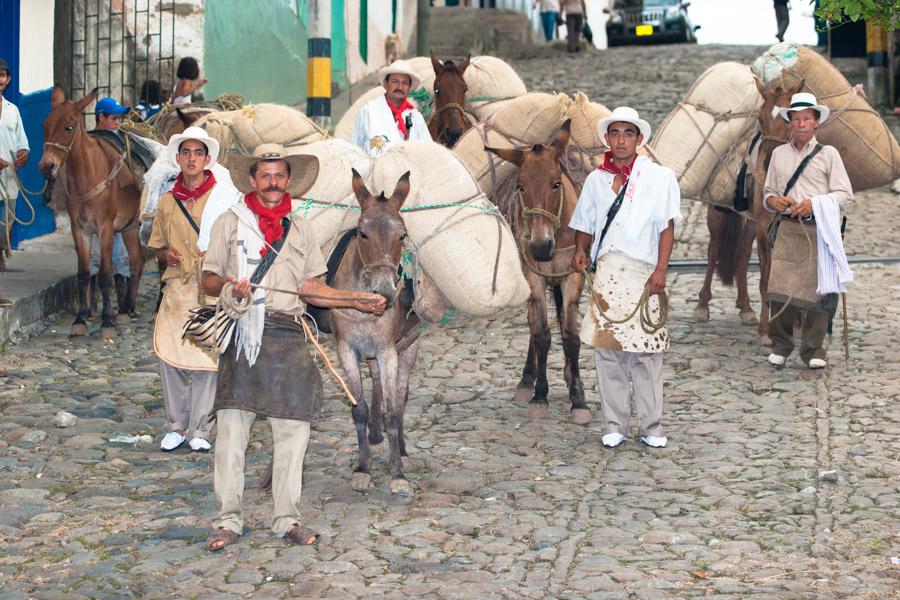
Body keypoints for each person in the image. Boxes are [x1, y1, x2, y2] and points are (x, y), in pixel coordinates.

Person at [201, 144, 387, 551]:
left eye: (279, 175)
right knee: (232, 434)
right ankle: (228, 521)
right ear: (252, 180)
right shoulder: (230, 223)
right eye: (264, 175)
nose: (272, 182)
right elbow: (208, 280)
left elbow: (311, 288)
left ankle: (287, 519)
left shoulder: (301, 229)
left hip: (287, 334)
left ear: (288, 179)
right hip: (242, 334)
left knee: (293, 433)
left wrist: (356, 300)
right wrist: (231, 284)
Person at [570, 106, 682, 449]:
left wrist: (661, 269)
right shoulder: (595, 180)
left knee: (647, 352)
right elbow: (585, 223)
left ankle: (652, 427)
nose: (621, 140)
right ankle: (615, 424)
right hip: (607, 272)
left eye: (627, 134)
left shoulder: (659, 178)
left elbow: (666, 226)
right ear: (607, 138)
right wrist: (580, 249)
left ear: (639, 139)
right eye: (615, 133)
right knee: (609, 351)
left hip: (643, 271)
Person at [147, 127, 237, 453]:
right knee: (169, 356)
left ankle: (200, 427)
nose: (192, 159)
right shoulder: (168, 203)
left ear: (207, 159)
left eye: (198, 153)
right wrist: (165, 255)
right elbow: (156, 246)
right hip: (177, 289)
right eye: (186, 153)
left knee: (207, 358)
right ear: (179, 158)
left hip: (210, 288)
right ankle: (175, 424)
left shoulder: (224, 200)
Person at [763, 93, 852, 370]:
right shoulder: (778, 155)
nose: (801, 124)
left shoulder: (829, 155)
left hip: (821, 230)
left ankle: (814, 349)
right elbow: (768, 193)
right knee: (780, 288)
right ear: (790, 122)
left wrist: (814, 203)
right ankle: (781, 345)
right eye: (796, 119)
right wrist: (774, 201)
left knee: (821, 291)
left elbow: (844, 195)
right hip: (788, 230)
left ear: (816, 123)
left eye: (806, 119)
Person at [89, 98, 131, 302]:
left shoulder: (119, 143)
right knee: (94, 256)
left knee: (119, 254)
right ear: (101, 117)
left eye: (119, 118)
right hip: (94, 212)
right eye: (114, 118)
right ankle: (92, 300)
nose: (117, 122)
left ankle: (122, 301)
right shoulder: (89, 144)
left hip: (115, 211)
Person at [349, 59, 431, 156]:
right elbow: (353, 151)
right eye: (395, 81)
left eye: (405, 83)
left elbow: (428, 153)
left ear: (409, 88)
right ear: (386, 84)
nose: (400, 87)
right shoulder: (367, 112)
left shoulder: (416, 118)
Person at [0, 57, 29, 273]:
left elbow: (23, 144)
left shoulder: (13, 110)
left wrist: (23, 155)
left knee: (5, 228)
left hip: (9, 180)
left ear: (8, 79)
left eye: (2, 75)